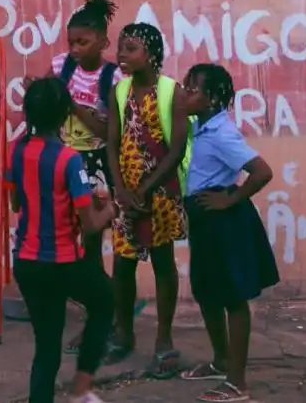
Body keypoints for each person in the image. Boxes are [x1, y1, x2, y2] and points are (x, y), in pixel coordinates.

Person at [7, 76, 117, 403]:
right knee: (105, 300)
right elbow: (91, 225)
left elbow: (16, 204)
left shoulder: (15, 151)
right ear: (64, 116)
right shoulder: (69, 159)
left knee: (47, 347)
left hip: (26, 262)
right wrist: (109, 209)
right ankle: (82, 387)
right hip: (62, 261)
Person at [178, 64, 279, 403]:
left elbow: (261, 171)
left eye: (192, 89)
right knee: (207, 291)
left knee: (233, 297)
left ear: (213, 98)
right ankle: (221, 360)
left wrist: (230, 199)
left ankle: (237, 381)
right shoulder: (201, 128)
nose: (184, 93)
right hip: (205, 219)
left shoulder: (222, 133)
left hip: (226, 222)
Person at [39, 0, 127, 354]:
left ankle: (107, 321)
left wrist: (70, 101)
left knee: (96, 242)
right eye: (71, 42)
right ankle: (97, 317)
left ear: (103, 42)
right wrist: (42, 93)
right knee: (76, 244)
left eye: (83, 42)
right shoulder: (62, 66)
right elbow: (47, 102)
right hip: (65, 160)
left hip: (98, 165)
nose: (75, 49)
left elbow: (106, 132)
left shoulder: (114, 77)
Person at [105, 22, 190, 378]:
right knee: (123, 264)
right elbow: (111, 143)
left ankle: (164, 339)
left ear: (151, 54)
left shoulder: (172, 91)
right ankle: (123, 331)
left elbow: (177, 147)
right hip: (128, 195)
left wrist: (148, 187)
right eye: (121, 48)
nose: (122, 56)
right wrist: (122, 191)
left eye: (131, 49)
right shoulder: (120, 91)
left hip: (161, 193)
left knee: (162, 262)